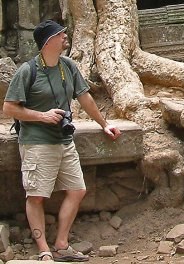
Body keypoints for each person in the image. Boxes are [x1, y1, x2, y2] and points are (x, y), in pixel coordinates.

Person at [3, 20, 121, 262]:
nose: (66, 38)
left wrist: (104, 123)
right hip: (36, 142)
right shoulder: (27, 70)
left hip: (64, 139)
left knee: (77, 190)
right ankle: (44, 249)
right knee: (36, 196)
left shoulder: (68, 66)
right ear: (48, 41)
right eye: (61, 35)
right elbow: (9, 108)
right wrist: (42, 116)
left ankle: (61, 244)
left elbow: (85, 97)